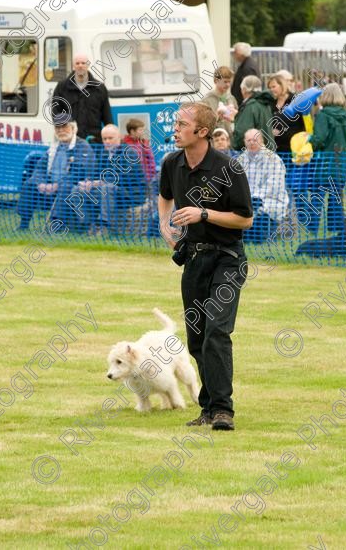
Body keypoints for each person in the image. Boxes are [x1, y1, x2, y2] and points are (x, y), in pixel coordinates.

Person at [158, 101, 253, 431]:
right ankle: (208, 408)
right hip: (194, 260)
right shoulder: (172, 163)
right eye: (176, 123)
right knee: (197, 338)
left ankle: (224, 410)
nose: (175, 128)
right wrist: (163, 223)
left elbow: (245, 219)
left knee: (216, 331)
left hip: (227, 259)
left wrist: (204, 213)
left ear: (202, 132)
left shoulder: (230, 168)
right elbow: (165, 195)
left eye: (182, 124)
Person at [17, 115, 95, 231]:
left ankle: (56, 225)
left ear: (73, 128)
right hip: (50, 183)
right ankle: (24, 223)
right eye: (57, 127)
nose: (61, 130)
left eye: (64, 126)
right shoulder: (53, 147)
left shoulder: (83, 146)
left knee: (65, 186)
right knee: (29, 183)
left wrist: (56, 185)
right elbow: (40, 168)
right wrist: (40, 183)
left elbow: (79, 172)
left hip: (71, 185)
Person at [73, 124, 148, 235]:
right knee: (78, 189)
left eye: (110, 138)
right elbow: (95, 173)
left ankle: (103, 227)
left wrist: (95, 183)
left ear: (119, 138)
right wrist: (87, 182)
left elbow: (117, 178)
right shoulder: (103, 153)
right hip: (111, 192)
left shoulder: (129, 153)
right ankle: (86, 225)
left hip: (132, 193)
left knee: (107, 188)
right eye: (104, 139)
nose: (107, 141)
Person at [307, 82, 346, 234]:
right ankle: (336, 228)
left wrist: (309, 141)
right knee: (336, 195)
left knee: (317, 194)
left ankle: (312, 228)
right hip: (343, 160)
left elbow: (319, 139)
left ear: (325, 96)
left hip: (325, 161)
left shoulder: (323, 115)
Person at [241, 129, 289, 244]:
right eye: (249, 140)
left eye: (255, 140)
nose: (252, 143)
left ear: (262, 141)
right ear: (244, 142)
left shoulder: (274, 159)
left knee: (261, 210)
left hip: (271, 200)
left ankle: (260, 235)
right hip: (248, 201)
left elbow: (274, 184)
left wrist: (256, 198)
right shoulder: (241, 159)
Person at [52, 53, 113, 143]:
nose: (80, 66)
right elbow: (55, 112)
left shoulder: (99, 88)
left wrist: (110, 134)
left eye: (83, 63)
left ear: (88, 65)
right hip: (70, 140)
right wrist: (63, 132)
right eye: (77, 63)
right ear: (73, 66)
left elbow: (107, 115)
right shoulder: (62, 87)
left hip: (94, 139)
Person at [233, 75, 275, 151]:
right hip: (268, 152)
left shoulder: (251, 106)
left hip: (254, 154)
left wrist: (234, 144)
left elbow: (242, 133)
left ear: (244, 90)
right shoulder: (265, 104)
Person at [268, 74, 306, 156]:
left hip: (294, 148)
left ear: (282, 85)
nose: (271, 90)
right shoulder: (271, 103)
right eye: (269, 88)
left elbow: (304, 123)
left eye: (273, 87)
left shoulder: (295, 100)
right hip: (277, 148)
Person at [202, 66, 238, 138]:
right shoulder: (207, 100)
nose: (228, 85)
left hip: (229, 140)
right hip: (214, 140)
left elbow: (237, 120)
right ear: (216, 81)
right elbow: (203, 124)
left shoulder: (231, 99)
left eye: (229, 82)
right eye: (225, 82)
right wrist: (217, 117)